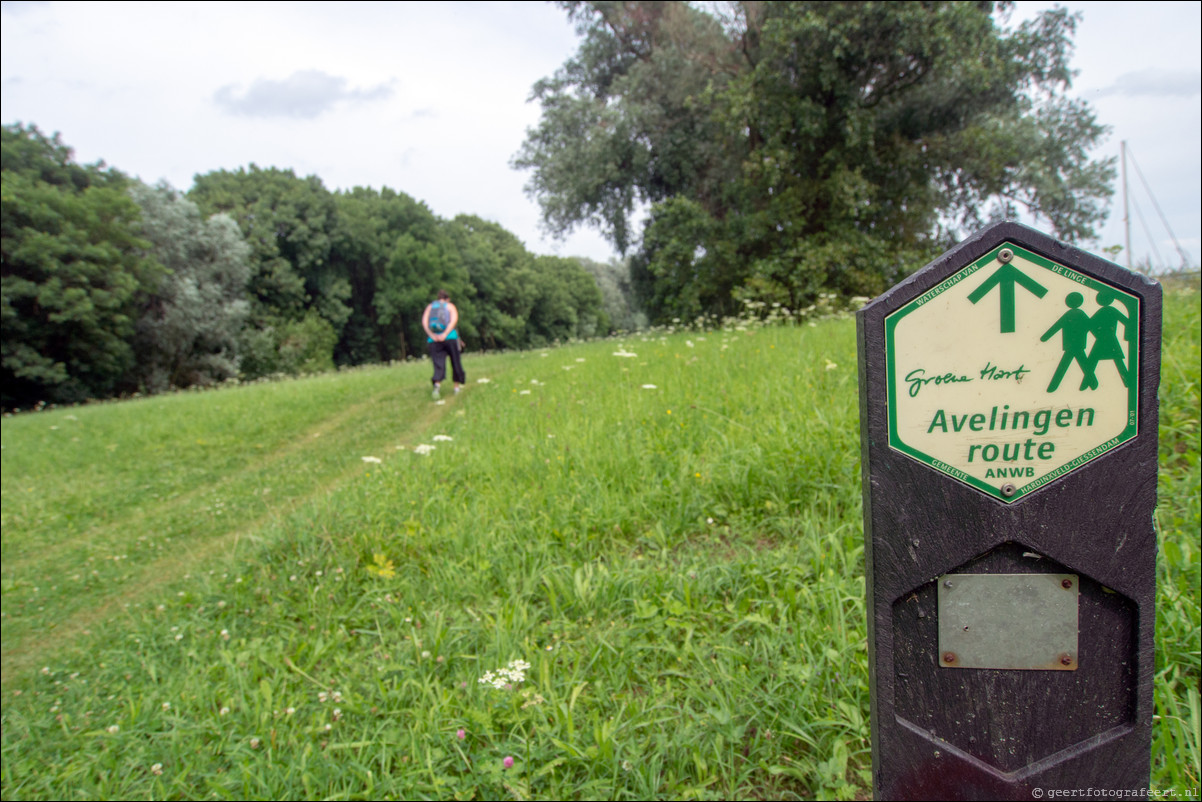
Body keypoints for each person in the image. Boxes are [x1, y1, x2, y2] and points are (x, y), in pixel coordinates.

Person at [422, 289, 465, 399]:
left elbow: (424, 322)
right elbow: (453, 321)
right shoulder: (450, 306)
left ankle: (437, 386)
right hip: (450, 338)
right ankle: (456, 387)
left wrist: (431, 335)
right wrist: (445, 334)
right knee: (455, 362)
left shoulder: (430, 307)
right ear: (448, 298)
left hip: (434, 340)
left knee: (438, 363)